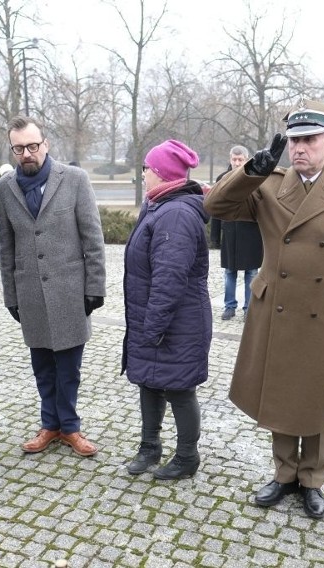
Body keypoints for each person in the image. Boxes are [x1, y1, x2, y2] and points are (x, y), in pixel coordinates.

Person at [204, 100, 324, 519]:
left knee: (317, 396)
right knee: (281, 391)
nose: (299, 148)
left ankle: (312, 479)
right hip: (278, 308)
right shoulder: (269, 183)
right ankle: (284, 473)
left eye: (308, 140)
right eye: (293, 140)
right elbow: (215, 206)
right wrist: (251, 169)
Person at [0, 116, 106, 458]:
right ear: (12, 149)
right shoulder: (3, 189)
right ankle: (49, 425)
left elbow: (93, 237)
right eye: (19, 148)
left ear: (46, 144)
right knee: (42, 366)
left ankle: (70, 427)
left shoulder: (74, 180)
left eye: (32, 146)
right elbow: (6, 246)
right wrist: (11, 295)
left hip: (71, 291)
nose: (27, 153)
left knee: (69, 369)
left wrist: (95, 286)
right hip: (30, 293)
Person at [122, 139, 212, 480]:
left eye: (146, 168)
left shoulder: (175, 213)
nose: (142, 174)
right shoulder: (158, 204)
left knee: (178, 388)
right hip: (156, 318)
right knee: (149, 381)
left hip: (176, 321)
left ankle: (187, 457)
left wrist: (154, 325)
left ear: (160, 173)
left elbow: (169, 278)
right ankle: (150, 447)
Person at [209, 145, 263, 320]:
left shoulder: (257, 179)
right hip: (230, 233)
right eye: (234, 159)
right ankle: (229, 306)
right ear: (230, 159)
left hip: (252, 234)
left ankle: (249, 309)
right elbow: (216, 209)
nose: (237, 163)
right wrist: (215, 237)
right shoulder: (222, 179)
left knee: (252, 273)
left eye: (241, 160)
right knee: (230, 272)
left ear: (247, 160)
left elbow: (263, 209)